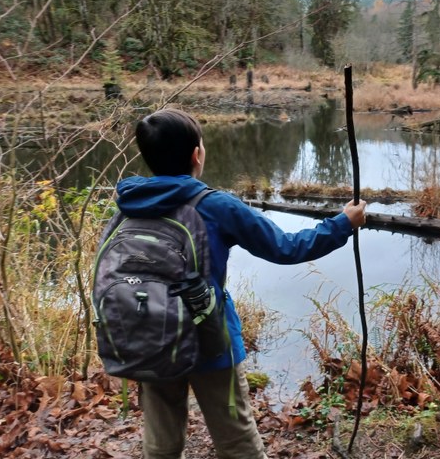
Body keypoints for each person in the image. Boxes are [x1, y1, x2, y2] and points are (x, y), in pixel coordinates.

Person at [113, 108, 367, 459]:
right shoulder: (215, 206)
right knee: (236, 439)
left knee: (160, 440)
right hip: (209, 340)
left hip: (150, 335)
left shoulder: (129, 205)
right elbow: (287, 248)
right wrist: (342, 223)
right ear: (197, 154)